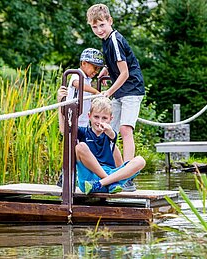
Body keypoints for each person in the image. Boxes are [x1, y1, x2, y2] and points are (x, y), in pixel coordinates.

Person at [86, 4, 145, 190]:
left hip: (131, 89)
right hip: (121, 91)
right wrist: (104, 72)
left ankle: (128, 175)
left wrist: (108, 92)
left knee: (125, 130)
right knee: (107, 130)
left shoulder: (114, 40)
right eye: (94, 27)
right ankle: (114, 170)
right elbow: (114, 65)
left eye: (102, 25)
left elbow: (125, 72)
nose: (99, 30)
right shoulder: (106, 41)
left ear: (110, 21)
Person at [56, 48, 124, 188]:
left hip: (83, 121)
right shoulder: (78, 74)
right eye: (94, 67)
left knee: (99, 146)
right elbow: (76, 84)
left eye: (98, 68)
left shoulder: (87, 79)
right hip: (72, 117)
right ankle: (65, 176)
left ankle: (119, 173)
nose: (96, 71)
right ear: (84, 63)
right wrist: (97, 92)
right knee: (72, 148)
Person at [57, 93, 145, 194]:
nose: (99, 121)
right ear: (89, 116)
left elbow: (112, 135)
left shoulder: (110, 134)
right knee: (80, 146)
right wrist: (60, 104)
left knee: (140, 161)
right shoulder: (83, 132)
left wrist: (109, 130)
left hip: (108, 177)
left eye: (104, 118)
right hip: (89, 180)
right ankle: (108, 182)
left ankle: (103, 183)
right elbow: (64, 130)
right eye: (96, 117)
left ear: (110, 119)